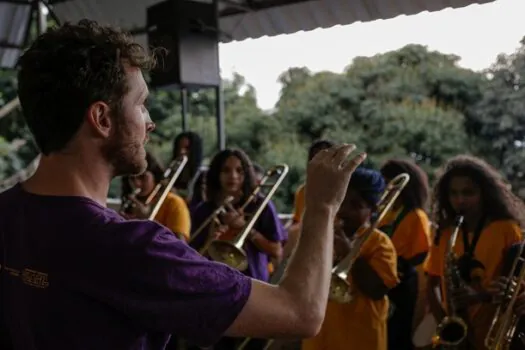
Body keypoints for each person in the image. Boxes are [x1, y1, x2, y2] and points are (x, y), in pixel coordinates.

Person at [0, 20, 368, 350]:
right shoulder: (131, 249)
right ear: (101, 119)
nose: (149, 123)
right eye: (141, 104)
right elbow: (299, 313)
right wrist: (322, 206)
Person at [425, 155, 525, 349]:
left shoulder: (506, 229)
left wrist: (480, 295)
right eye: (453, 193)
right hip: (460, 333)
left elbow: (515, 287)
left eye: (468, 193)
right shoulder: (445, 233)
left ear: (484, 193)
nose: (460, 200)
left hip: (494, 330)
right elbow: (432, 285)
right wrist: (446, 325)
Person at [302, 167, 399, 350]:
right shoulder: (322, 234)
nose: (344, 211)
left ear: (372, 210)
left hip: (360, 336)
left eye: (355, 205)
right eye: (341, 202)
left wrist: (349, 254)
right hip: (321, 334)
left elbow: (377, 290)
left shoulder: (379, 242)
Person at [379, 158, 431, 350]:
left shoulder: (416, 217)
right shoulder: (384, 215)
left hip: (404, 297)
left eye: (389, 183)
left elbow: (421, 271)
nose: (386, 189)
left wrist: (418, 315)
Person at [120, 151, 191, 241]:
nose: (137, 183)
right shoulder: (131, 204)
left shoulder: (174, 202)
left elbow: (180, 248)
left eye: (142, 177)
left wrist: (147, 221)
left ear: (155, 175)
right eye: (132, 178)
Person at [285, 139, 335, 258]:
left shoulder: (344, 190)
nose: (321, 164)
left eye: (326, 158)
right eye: (315, 159)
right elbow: (297, 222)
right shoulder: (303, 191)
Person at [171, 131, 203, 201]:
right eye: (179, 148)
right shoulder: (172, 171)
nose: (181, 152)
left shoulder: (202, 175)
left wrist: (174, 193)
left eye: (187, 148)